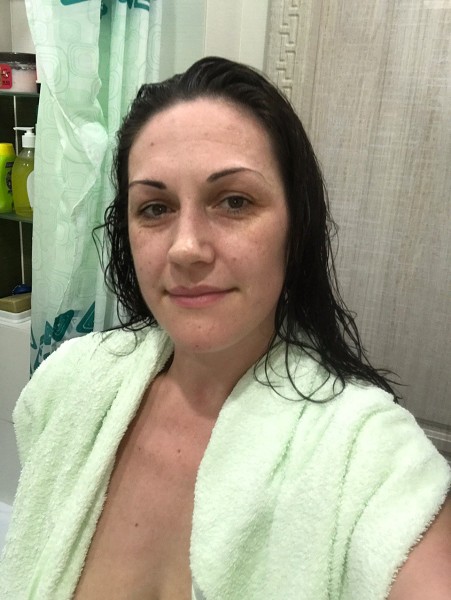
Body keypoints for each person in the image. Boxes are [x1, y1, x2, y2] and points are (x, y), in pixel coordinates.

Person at [0, 56, 450, 600]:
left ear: (296, 227)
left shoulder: (368, 455)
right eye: (155, 208)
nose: (187, 248)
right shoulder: (68, 387)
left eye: (234, 201)